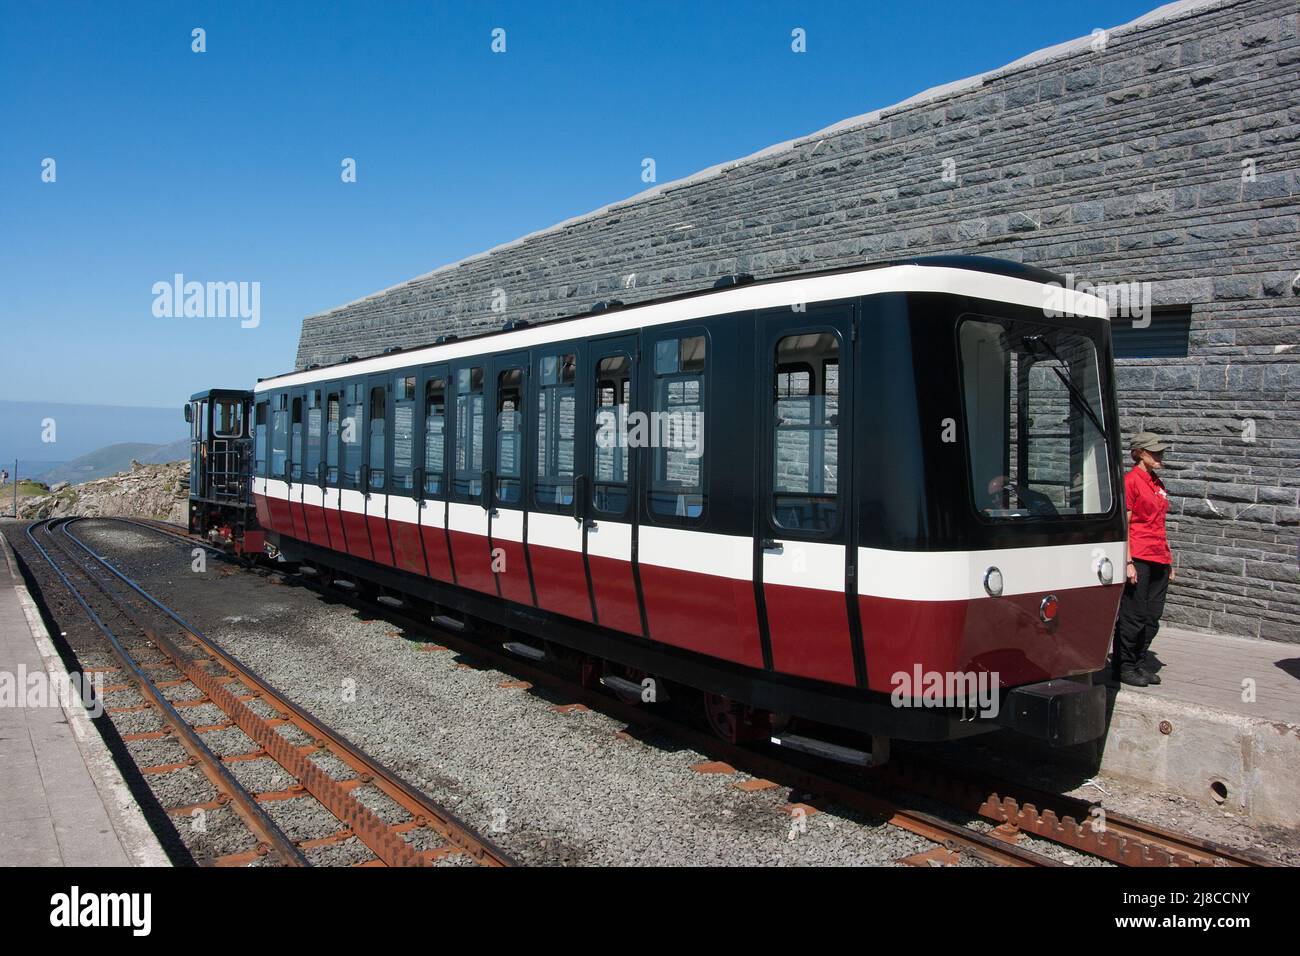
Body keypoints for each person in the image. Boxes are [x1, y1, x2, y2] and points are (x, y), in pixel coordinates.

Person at [1112, 431, 1176, 687]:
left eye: (1161, 451)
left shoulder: (1156, 483)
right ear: (1139, 453)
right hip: (1138, 555)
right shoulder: (1131, 481)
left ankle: (1138, 662)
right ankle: (1124, 666)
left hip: (1158, 555)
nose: (1160, 455)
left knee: (1152, 615)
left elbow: (1160, 523)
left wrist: (1168, 559)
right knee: (1134, 615)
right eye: (1154, 451)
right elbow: (1124, 525)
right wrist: (1127, 562)